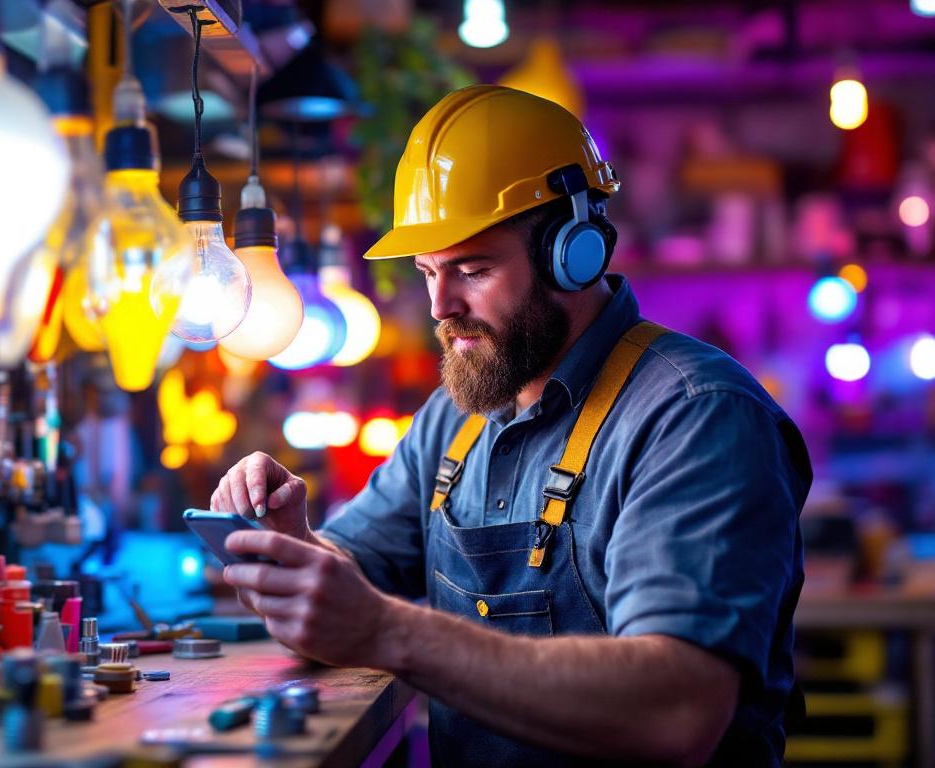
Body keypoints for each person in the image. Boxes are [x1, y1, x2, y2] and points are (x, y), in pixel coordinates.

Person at [209, 85, 810, 767]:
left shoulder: (696, 416)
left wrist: (390, 631)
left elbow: (678, 711)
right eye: (429, 271)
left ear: (572, 256)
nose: (441, 305)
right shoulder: (457, 418)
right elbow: (354, 577)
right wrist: (295, 552)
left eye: (473, 268)